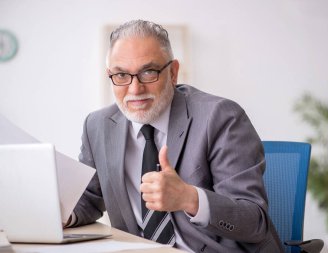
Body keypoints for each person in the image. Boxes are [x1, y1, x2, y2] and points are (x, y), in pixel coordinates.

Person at [68, 19, 284, 253]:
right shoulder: (97, 126)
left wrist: (189, 198)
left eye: (149, 72)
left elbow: (254, 222)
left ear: (173, 72)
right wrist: (59, 214)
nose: (135, 89)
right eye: (121, 75)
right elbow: (88, 199)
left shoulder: (221, 118)